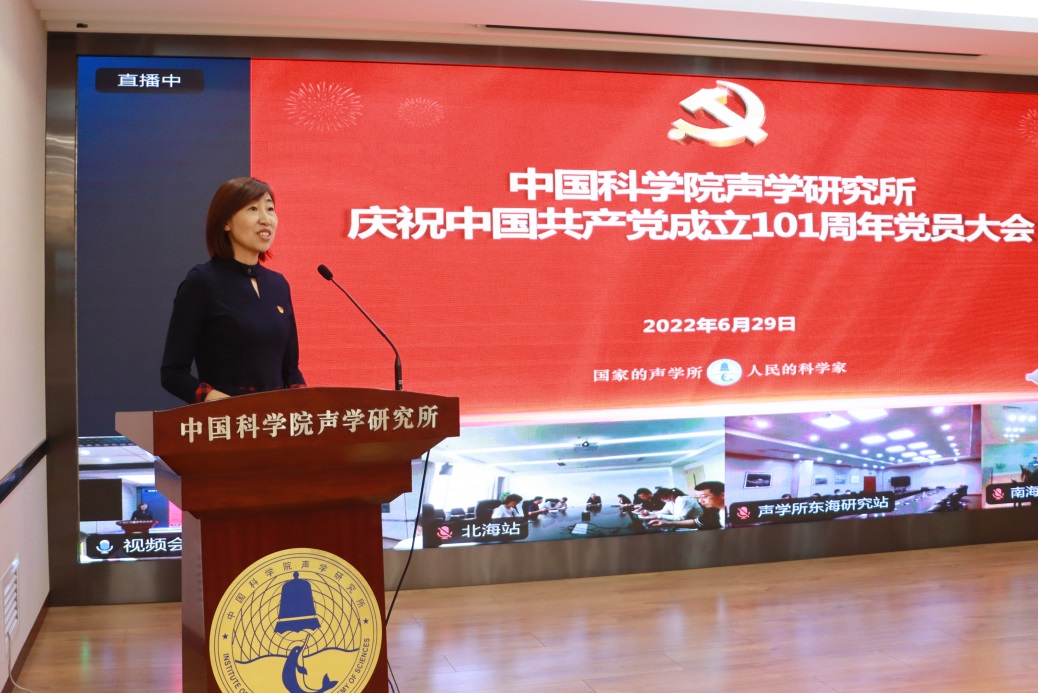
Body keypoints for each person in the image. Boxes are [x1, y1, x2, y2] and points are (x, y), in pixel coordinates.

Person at [161, 177, 306, 404]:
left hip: (276, 421)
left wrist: (306, 403)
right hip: (229, 421)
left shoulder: (278, 285)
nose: (265, 219)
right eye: (253, 209)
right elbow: (173, 374)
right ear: (226, 222)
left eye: (270, 209)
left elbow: (291, 371)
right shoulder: (202, 282)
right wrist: (227, 406)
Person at [648, 482, 725, 530]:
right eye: (698, 497)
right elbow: (696, 522)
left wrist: (660, 517)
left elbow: (681, 518)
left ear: (722, 495)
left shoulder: (732, 511)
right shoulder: (712, 511)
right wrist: (665, 523)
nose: (700, 501)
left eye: (704, 497)